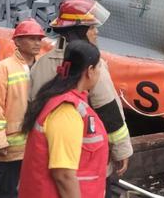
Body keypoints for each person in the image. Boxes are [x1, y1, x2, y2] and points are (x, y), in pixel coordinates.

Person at [29, 0, 132, 193]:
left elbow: (32, 108)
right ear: (79, 31)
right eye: (92, 27)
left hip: (46, 156)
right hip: (86, 161)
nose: (96, 32)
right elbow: (108, 110)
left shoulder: (41, 64)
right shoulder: (93, 65)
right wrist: (122, 150)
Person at [19, 40, 108, 198]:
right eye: (99, 67)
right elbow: (63, 175)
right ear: (90, 70)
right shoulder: (66, 111)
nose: (100, 72)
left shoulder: (60, 99)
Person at [0, 19, 45, 198]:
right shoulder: (3, 70)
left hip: (37, 145)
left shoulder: (44, 67)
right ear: (17, 42)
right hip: (11, 149)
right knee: (6, 191)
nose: (37, 43)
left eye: (39, 39)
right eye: (31, 38)